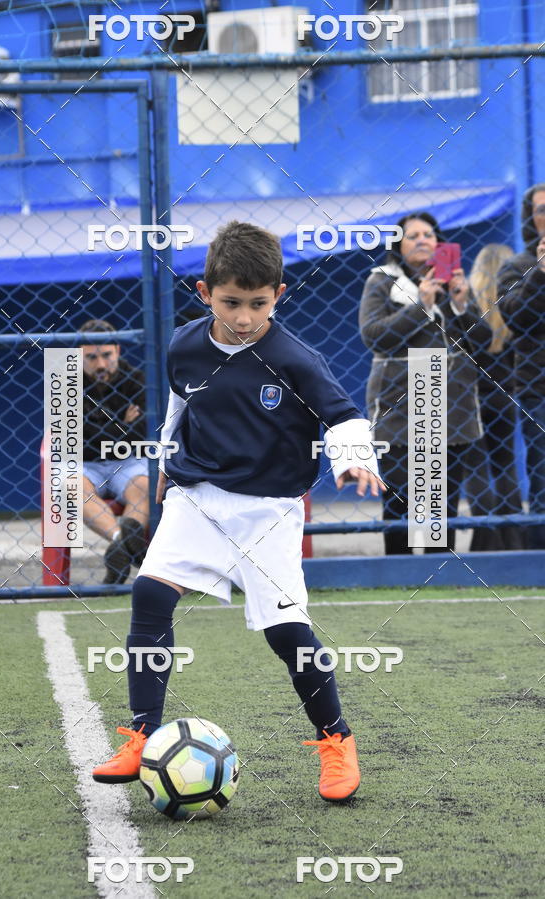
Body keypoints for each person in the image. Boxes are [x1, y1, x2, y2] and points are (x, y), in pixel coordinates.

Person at [91, 221, 385, 802]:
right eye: (231, 303)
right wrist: (168, 464)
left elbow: (345, 415)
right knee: (150, 594)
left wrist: (352, 459)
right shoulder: (184, 345)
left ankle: (336, 741)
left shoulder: (296, 360)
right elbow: (179, 403)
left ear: (279, 294)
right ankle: (141, 734)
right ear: (205, 294)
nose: (245, 317)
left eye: (258, 303)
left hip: (270, 509)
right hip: (198, 497)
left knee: (287, 633)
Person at [358, 211, 493, 554]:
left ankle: (435, 569)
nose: (422, 240)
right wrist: (421, 305)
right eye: (413, 235)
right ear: (398, 245)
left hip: (448, 401)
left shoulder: (452, 281)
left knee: (439, 502)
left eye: (429, 235)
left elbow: (484, 342)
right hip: (400, 399)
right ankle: (398, 570)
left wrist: (462, 304)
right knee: (400, 498)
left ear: (440, 244)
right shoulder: (382, 280)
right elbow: (373, 336)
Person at [80, 319, 149, 584]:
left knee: (144, 485)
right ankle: (124, 541)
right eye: (92, 357)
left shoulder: (137, 380)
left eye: (107, 355)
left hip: (128, 461)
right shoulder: (64, 382)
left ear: (118, 351)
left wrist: (95, 430)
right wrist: (123, 426)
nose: (100, 365)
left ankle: (121, 549)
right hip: (85, 464)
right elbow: (72, 441)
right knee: (70, 488)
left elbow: (142, 434)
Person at [467, 244, 526, 550]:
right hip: (506, 395)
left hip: (471, 397)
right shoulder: (515, 305)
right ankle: (514, 537)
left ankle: (485, 540)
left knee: (476, 467)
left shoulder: (466, 307)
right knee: (506, 465)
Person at [497, 183, 545, 549]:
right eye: (541, 210)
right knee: (542, 473)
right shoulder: (517, 266)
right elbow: (517, 318)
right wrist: (540, 274)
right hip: (539, 388)